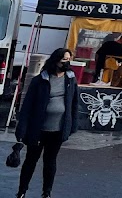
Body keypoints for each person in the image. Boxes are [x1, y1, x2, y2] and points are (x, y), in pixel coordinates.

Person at [15, 48, 78, 198]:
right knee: (31, 161)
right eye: (64, 60)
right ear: (56, 61)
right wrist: (22, 129)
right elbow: (28, 105)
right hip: (38, 129)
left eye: (68, 59)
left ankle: (46, 193)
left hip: (58, 130)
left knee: (50, 162)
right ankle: (22, 191)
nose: (67, 63)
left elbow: (75, 102)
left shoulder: (70, 79)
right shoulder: (40, 80)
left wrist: (72, 125)